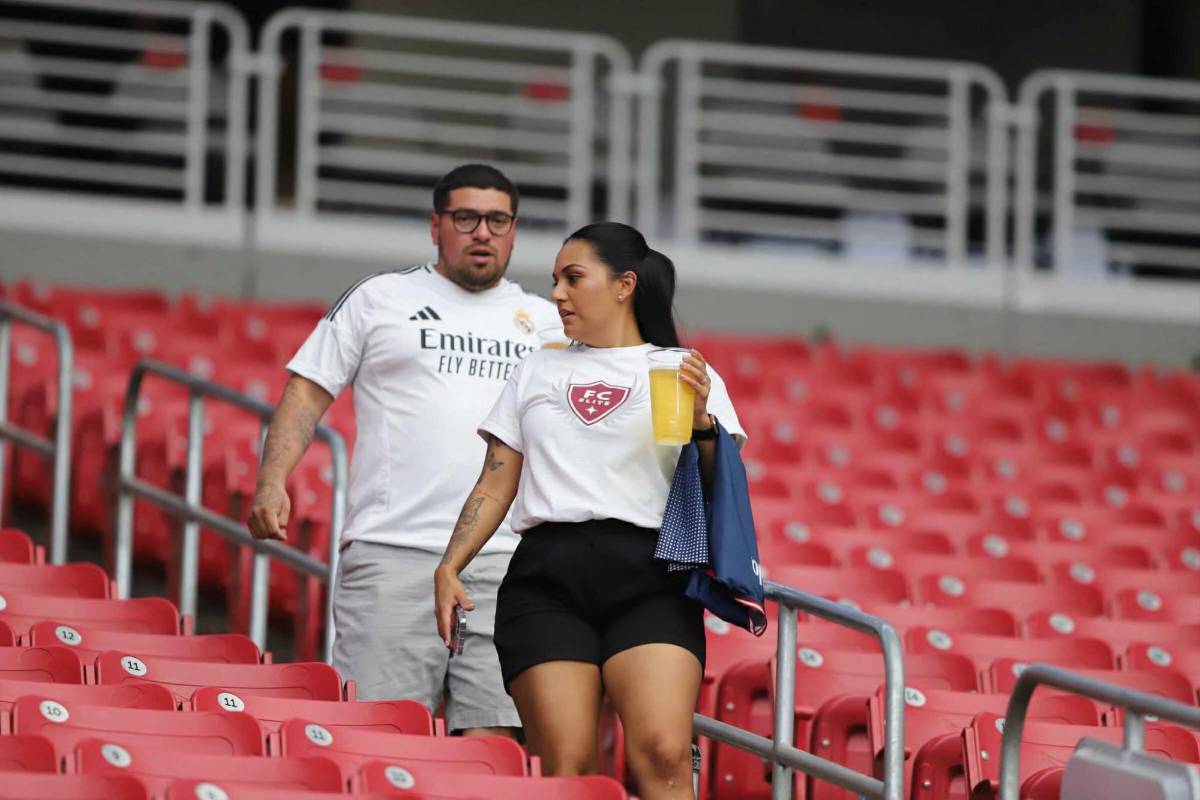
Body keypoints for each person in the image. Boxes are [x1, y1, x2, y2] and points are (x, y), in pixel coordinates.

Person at [434, 222, 746, 799]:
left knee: (666, 753)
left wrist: (706, 426)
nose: (557, 294)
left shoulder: (682, 368)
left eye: (573, 278)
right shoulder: (537, 366)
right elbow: (498, 478)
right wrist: (450, 565)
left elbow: (716, 490)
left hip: (652, 575)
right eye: (555, 281)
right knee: (567, 764)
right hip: (547, 578)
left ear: (624, 285)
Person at [247, 164, 560, 736]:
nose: (482, 232)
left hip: (507, 562)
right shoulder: (380, 298)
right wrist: (272, 481)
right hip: (394, 553)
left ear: (514, 231)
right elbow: (306, 391)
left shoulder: (548, 321)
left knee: (493, 748)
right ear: (435, 226)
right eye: (466, 218)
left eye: (498, 220)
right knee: (378, 738)